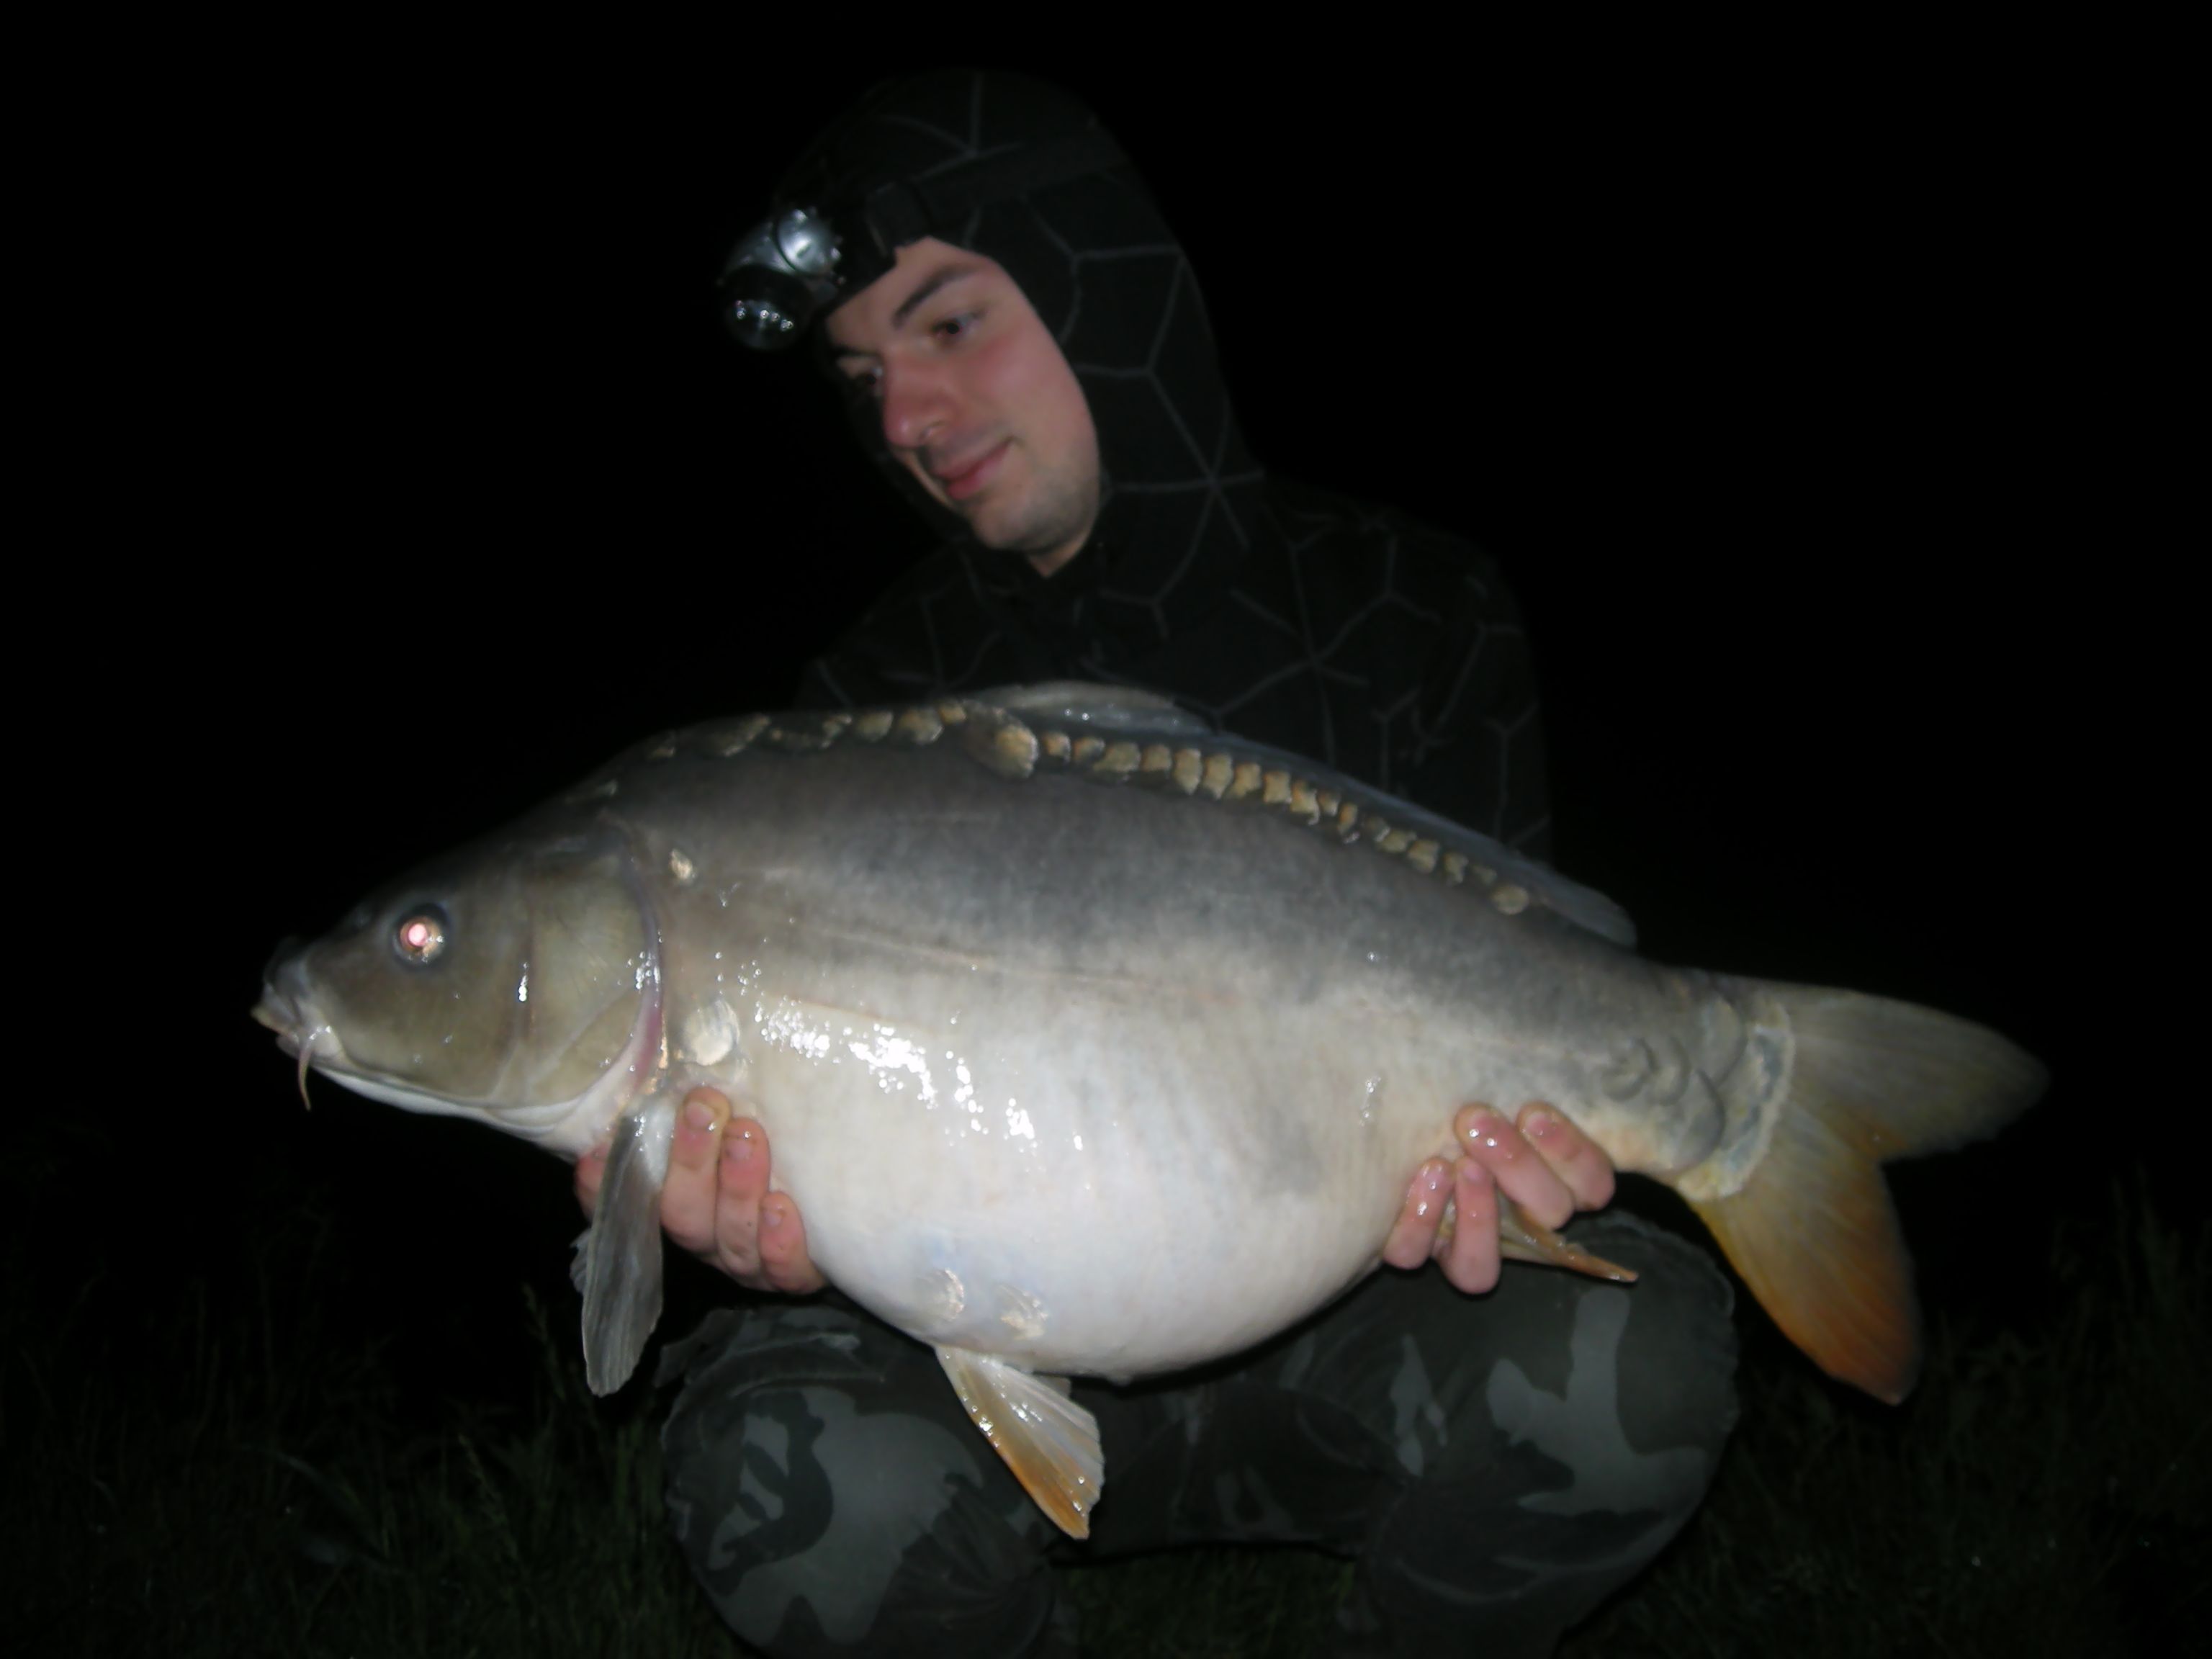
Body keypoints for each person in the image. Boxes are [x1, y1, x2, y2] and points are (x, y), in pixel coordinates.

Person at [577, 70, 1737, 1658]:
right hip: (975, 1358)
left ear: (1100, 285)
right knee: (771, 1470)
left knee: (1643, 1363)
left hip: (1364, 1326)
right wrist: (755, 1240)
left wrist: (1510, 1167)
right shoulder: (867, 711)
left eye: (950, 323)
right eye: (864, 377)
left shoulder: (1413, 610)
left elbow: (1521, 995)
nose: (904, 419)